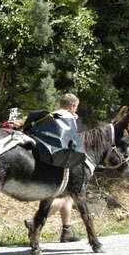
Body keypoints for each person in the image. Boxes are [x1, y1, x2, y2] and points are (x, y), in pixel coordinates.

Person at [24, 93, 81, 243]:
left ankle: (67, 230)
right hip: (57, 163)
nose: (76, 110)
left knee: (67, 197)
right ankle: (34, 222)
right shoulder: (67, 118)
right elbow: (72, 144)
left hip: (42, 159)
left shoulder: (51, 116)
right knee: (62, 196)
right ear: (72, 105)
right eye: (76, 107)